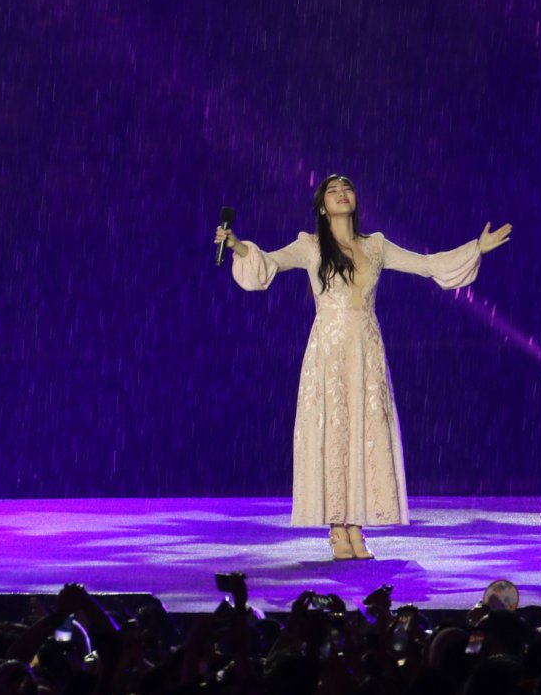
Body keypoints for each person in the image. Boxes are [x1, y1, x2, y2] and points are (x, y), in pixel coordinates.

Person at [215, 175, 511, 560]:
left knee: (363, 430)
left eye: (347, 188)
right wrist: (237, 245)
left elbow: (425, 265)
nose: (341, 193)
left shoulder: (376, 246)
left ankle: (356, 525)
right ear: (322, 206)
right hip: (329, 350)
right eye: (332, 190)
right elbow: (268, 264)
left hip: (366, 349)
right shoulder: (310, 246)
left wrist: (477, 248)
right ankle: (336, 528)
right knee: (334, 429)